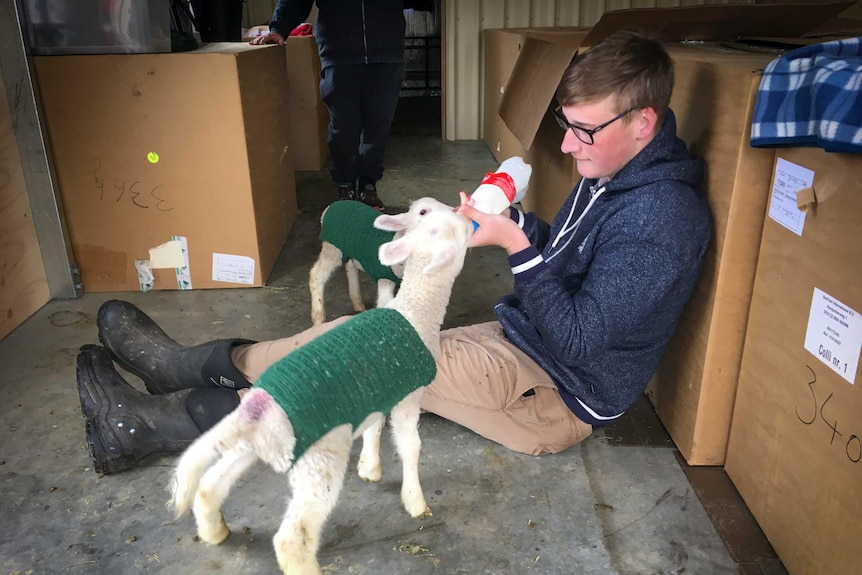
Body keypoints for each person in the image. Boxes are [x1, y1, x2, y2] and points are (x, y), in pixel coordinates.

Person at [77, 29, 712, 474]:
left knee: (363, 358)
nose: (569, 147)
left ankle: (156, 424)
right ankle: (195, 367)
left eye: (584, 131)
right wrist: (516, 220)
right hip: (526, 343)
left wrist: (516, 245)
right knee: (370, 331)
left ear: (644, 123)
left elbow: (579, 339)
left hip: (553, 392)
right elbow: (572, 257)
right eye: (566, 126)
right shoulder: (614, 170)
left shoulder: (663, 217)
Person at [250, 0, 430, 210]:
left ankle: (368, 186)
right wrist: (279, 28)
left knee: (378, 125)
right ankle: (345, 185)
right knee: (344, 126)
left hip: (386, 53)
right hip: (339, 54)